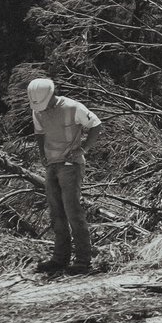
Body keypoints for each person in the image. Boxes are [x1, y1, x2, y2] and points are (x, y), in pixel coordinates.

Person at [27, 78, 104, 275]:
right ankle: (60, 258)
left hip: (71, 166)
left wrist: (83, 149)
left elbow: (96, 125)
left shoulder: (72, 107)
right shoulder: (37, 110)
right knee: (56, 214)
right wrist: (43, 156)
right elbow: (39, 133)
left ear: (52, 94)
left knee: (72, 212)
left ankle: (83, 260)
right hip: (52, 165)